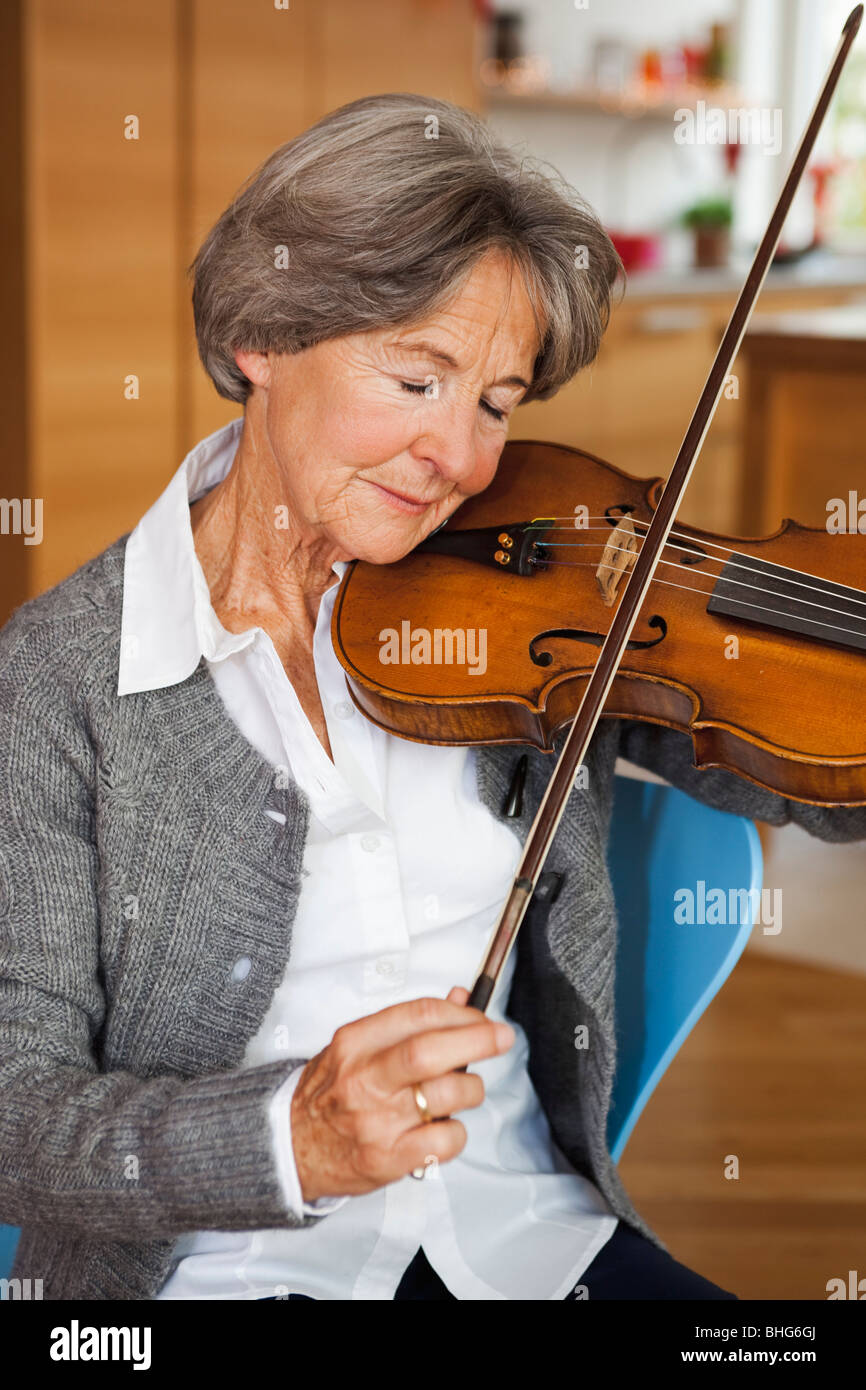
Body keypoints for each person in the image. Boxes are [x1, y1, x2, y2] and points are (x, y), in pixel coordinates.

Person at [1, 93, 864, 1302]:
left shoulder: (529, 606)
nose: (462, 461)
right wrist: (285, 1135)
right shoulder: (59, 684)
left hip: (531, 1244)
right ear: (263, 335)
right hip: (215, 1280)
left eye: (496, 404)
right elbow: (18, 1113)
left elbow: (795, 761)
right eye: (417, 381)